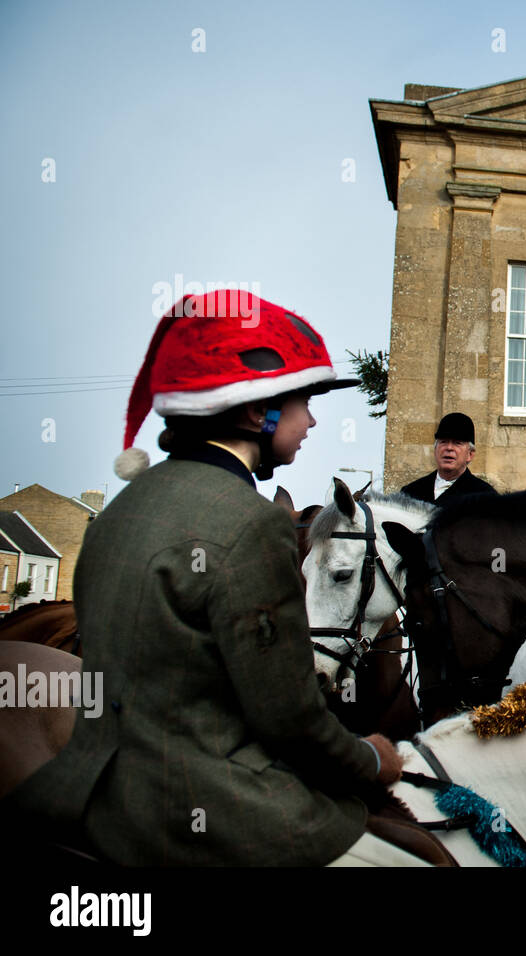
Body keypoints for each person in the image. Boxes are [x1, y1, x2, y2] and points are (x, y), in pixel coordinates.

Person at [6, 291, 427, 866]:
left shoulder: (120, 512)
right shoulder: (250, 523)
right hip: (203, 807)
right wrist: (372, 758)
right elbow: (289, 719)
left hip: (90, 794)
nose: (312, 420)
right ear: (259, 413)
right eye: (303, 401)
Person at [401, 412, 498, 503]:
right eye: (443, 441)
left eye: (457, 443)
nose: (449, 448)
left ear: (470, 454)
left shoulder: (485, 497)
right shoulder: (410, 493)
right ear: (435, 450)